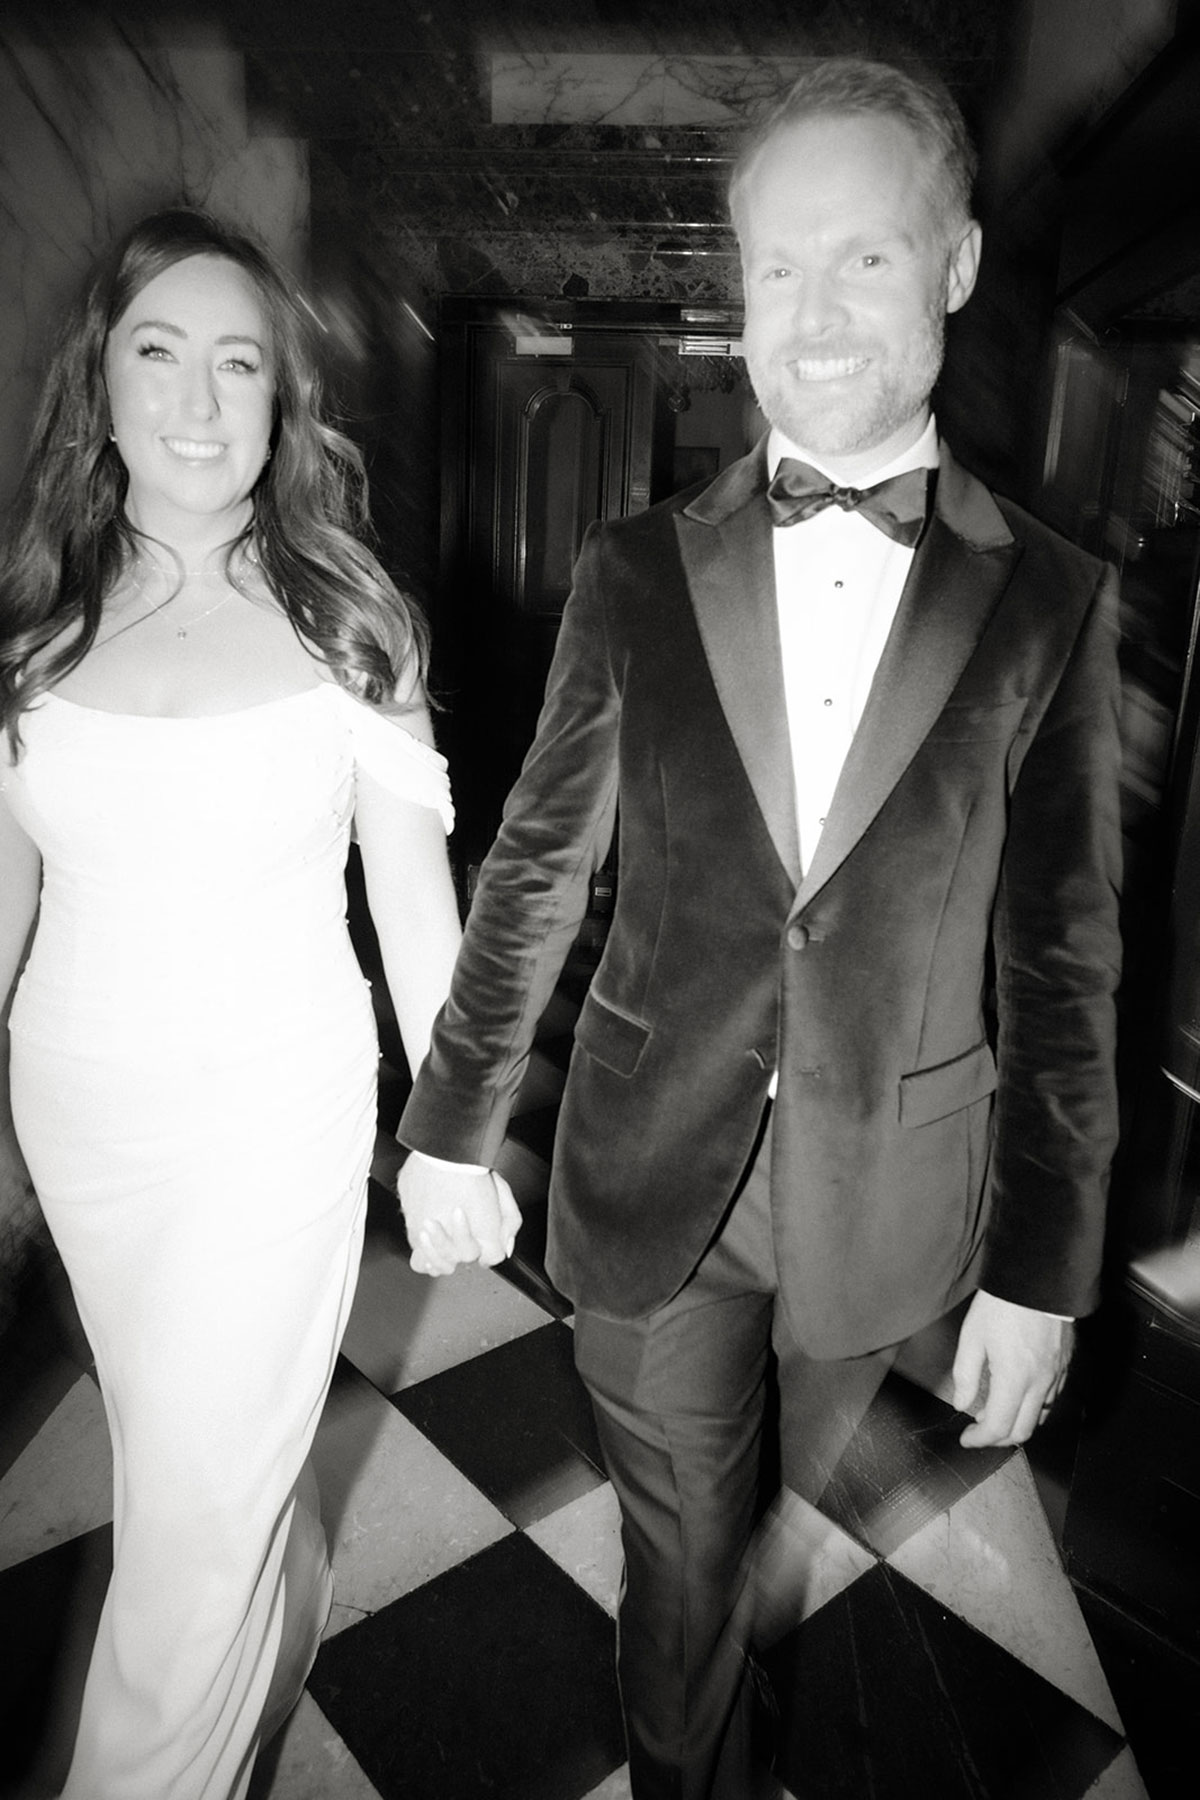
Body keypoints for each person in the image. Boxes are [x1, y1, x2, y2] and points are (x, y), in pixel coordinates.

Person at [396, 56, 1123, 1800]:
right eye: (776, 267)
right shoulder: (635, 574)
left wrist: (1046, 1262)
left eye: (864, 258)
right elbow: (532, 869)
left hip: (894, 1202)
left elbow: (1068, 961)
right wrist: (448, 1120)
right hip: (652, 1185)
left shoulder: (1052, 599)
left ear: (951, 264)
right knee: (686, 1581)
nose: (813, 313)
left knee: (766, 1509)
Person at [0, 208, 516, 1800]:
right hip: (88, 1124)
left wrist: (455, 1137)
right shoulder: (29, 641)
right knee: (190, 1469)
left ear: (284, 408)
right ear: (102, 385)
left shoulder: (348, 629)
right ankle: (270, 1615)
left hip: (274, 1123)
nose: (203, 400)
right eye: (162, 353)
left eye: (242, 365)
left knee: (183, 1543)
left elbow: (419, 909)